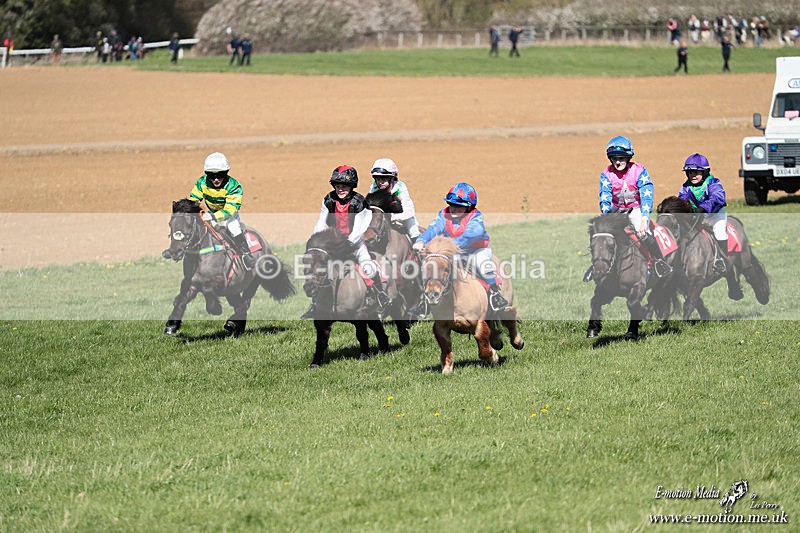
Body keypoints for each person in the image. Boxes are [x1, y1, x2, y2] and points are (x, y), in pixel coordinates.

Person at [302, 165, 391, 320]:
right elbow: (321, 223)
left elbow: (358, 231)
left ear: (351, 186)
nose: (340, 189)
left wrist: (344, 245)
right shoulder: (329, 199)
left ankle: (380, 294)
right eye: (337, 186)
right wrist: (318, 241)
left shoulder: (359, 202)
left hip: (354, 244)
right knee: (319, 271)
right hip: (331, 245)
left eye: (344, 186)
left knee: (368, 268)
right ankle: (316, 304)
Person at [407, 182, 510, 317]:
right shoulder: (444, 214)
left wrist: (450, 247)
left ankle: (495, 295)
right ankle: (425, 303)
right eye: (451, 204)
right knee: (432, 268)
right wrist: (421, 241)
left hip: (476, 250)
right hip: (452, 253)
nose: (454, 208)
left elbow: (472, 235)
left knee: (484, 265)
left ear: (469, 207)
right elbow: (434, 229)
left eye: (459, 206)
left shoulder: (475, 216)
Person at [584, 135, 672, 282]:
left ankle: (659, 262)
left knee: (643, 233)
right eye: (614, 158)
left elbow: (646, 196)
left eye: (622, 158)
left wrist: (644, 219)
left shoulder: (639, 171)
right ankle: (596, 267)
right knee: (599, 233)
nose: (618, 162)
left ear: (628, 157)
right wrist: (607, 217)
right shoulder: (606, 174)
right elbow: (604, 196)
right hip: (616, 211)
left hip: (636, 210)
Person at [164, 152, 256, 270]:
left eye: (220, 175)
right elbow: (194, 200)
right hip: (209, 214)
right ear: (207, 174)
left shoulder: (234, 186)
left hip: (228, 217)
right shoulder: (202, 182)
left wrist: (213, 217)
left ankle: (246, 255)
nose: (216, 179)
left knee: (234, 228)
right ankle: (175, 249)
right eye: (212, 176)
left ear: (226, 172)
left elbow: (230, 210)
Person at [677, 153, 743, 300]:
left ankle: (722, 260)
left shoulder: (713, 183)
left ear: (705, 172)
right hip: (697, 218)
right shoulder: (685, 187)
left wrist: (703, 208)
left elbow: (718, 198)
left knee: (720, 233)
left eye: (696, 172)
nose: (692, 175)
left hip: (715, 216)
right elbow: (682, 201)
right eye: (689, 172)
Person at [368, 158, 420, 241]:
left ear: (392, 178)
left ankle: (417, 249)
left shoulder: (400, 187)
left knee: (413, 229)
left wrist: (394, 217)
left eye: (384, 179)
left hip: (401, 216)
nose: (380, 182)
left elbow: (408, 209)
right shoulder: (373, 187)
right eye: (377, 179)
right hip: (382, 217)